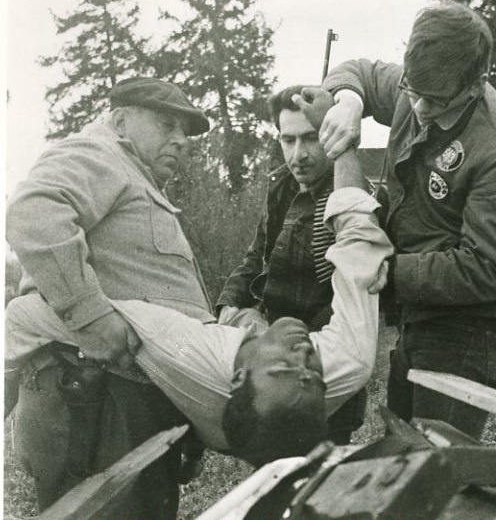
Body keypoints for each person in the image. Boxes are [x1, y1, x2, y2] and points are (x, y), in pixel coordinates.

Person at [6, 145, 393, 469]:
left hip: (198, 381)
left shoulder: (180, 344)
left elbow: (23, 315)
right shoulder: (347, 362)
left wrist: (14, 374)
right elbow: (359, 248)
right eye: (315, 372)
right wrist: (342, 142)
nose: (304, 352)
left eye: (282, 368)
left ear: (237, 378)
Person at [299, 1, 496, 439]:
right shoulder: (421, 86)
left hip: (472, 335)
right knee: (403, 453)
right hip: (422, 320)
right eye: (411, 91)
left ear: (476, 84)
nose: (417, 108)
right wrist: (349, 101)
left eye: (435, 101)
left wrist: (389, 270)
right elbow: (359, 71)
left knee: (434, 466)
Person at [5, 77, 213, 519]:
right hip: (93, 399)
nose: (180, 140)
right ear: (120, 121)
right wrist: (91, 316)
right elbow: (34, 211)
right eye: (166, 124)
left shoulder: (135, 174)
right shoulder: (101, 152)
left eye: (185, 132)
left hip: (126, 398)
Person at [215, 85, 380, 444]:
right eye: (288, 140)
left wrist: (293, 344)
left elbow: (352, 288)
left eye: (311, 138)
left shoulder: (351, 195)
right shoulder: (281, 189)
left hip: (321, 360)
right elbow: (256, 256)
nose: (299, 154)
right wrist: (230, 305)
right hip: (271, 355)